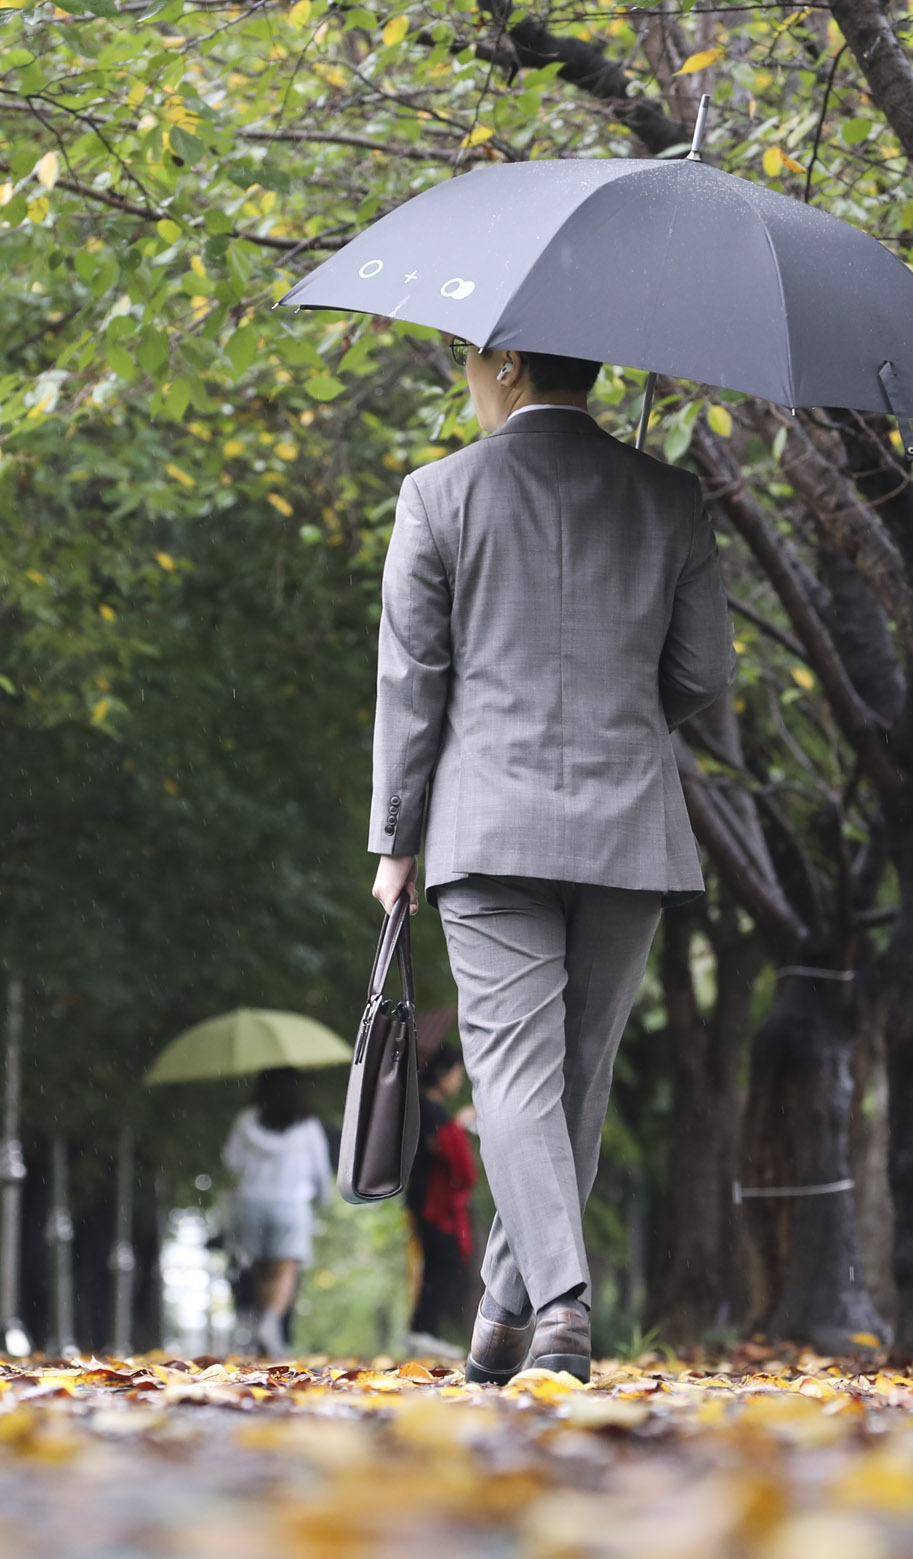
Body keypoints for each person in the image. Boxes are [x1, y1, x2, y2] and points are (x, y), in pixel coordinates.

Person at [368, 340, 734, 1385]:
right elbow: (703, 670)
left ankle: (556, 1309)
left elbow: (412, 681)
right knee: (575, 1077)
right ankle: (503, 1310)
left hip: (486, 827)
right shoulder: (670, 496)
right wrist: (620, 718)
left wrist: (395, 839)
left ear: (511, 365)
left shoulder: (436, 494)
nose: (467, 377)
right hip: (627, 826)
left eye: (470, 361)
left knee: (515, 1077)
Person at [222, 1066, 332, 1356]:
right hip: (291, 1204)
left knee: (261, 1268)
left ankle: (263, 1329)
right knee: (286, 1268)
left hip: (251, 1201)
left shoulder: (246, 1120)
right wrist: (323, 1199)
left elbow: (231, 1161)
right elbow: (320, 1170)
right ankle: (270, 1323)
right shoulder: (307, 1125)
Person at [407, 1042, 477, 1342]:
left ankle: (425, 1330)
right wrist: (458, 1125)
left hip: (433, 1198)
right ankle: (422, 1330)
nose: (458, 1081)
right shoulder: (424, 1108)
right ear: (441, 1073)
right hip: (429, 1199)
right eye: (456, 1074)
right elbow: (439, 1147)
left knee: (442, 1262)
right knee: (443, 1261)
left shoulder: (432, 1107)